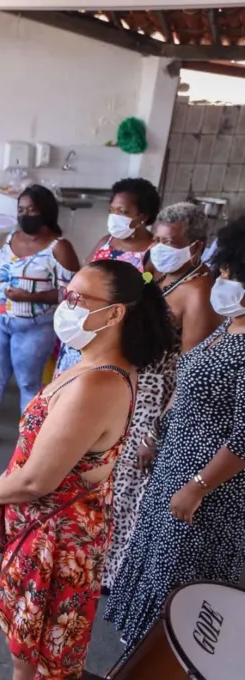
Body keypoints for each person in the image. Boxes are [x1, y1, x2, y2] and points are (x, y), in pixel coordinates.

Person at [0, 260, 173, 680]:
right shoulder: (94, 363)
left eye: (79, 299)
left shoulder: (98, 383)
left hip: (58, 537)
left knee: (33, 652)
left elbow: (35, 480)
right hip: (53, 526)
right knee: (28, 642)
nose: (67, 305)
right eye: (69, 294)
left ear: (116, 314)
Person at [104, 216, 245, 652]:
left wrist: (197, 487)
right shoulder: (231, 325)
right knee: (153, 568)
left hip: (208, 489)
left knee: (177, 582)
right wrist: (158, 434)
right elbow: (187, 385)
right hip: (176, 463)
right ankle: (122, 677)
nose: (222, 279)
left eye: (232, 274)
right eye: (223, 270)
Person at [102, 202, 221, 590]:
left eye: (170, 242)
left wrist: (156, 432)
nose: (158, 246)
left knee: (132, 491)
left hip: (157, 403)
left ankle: (121, 578)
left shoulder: (198, 292)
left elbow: (190, 371)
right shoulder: (160, 275)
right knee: (116, 487)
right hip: (133, 392)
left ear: (197, 246)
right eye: (155, 238)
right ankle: (109, 569)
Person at [0, 185, 80, 449]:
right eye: (21, 210)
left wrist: (30, 298)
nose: (25, 214)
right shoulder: (10, 239)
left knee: (28, 382)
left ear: (46, 212)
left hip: (35, 326)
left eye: (32, 210)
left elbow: (72, 293)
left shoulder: (59, 248)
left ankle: (28, 439)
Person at [54, 178, 160, 377]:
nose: (114, 217)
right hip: (81, 329)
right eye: (112, 211)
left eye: (123, 212)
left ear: (143, 216)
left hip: (113, 340)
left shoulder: (153, 253)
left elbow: (149, 303)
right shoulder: (106, 242)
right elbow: (81, 278)